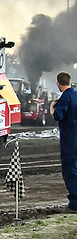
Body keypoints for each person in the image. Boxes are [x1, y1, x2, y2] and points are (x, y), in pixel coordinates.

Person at [50, 71, 77, 213]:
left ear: (58, 83)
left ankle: (74, 204)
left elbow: (59, 115)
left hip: (69, 137)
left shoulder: (65, 98)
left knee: (69, 170)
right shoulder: (75, 94)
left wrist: (52, 108)